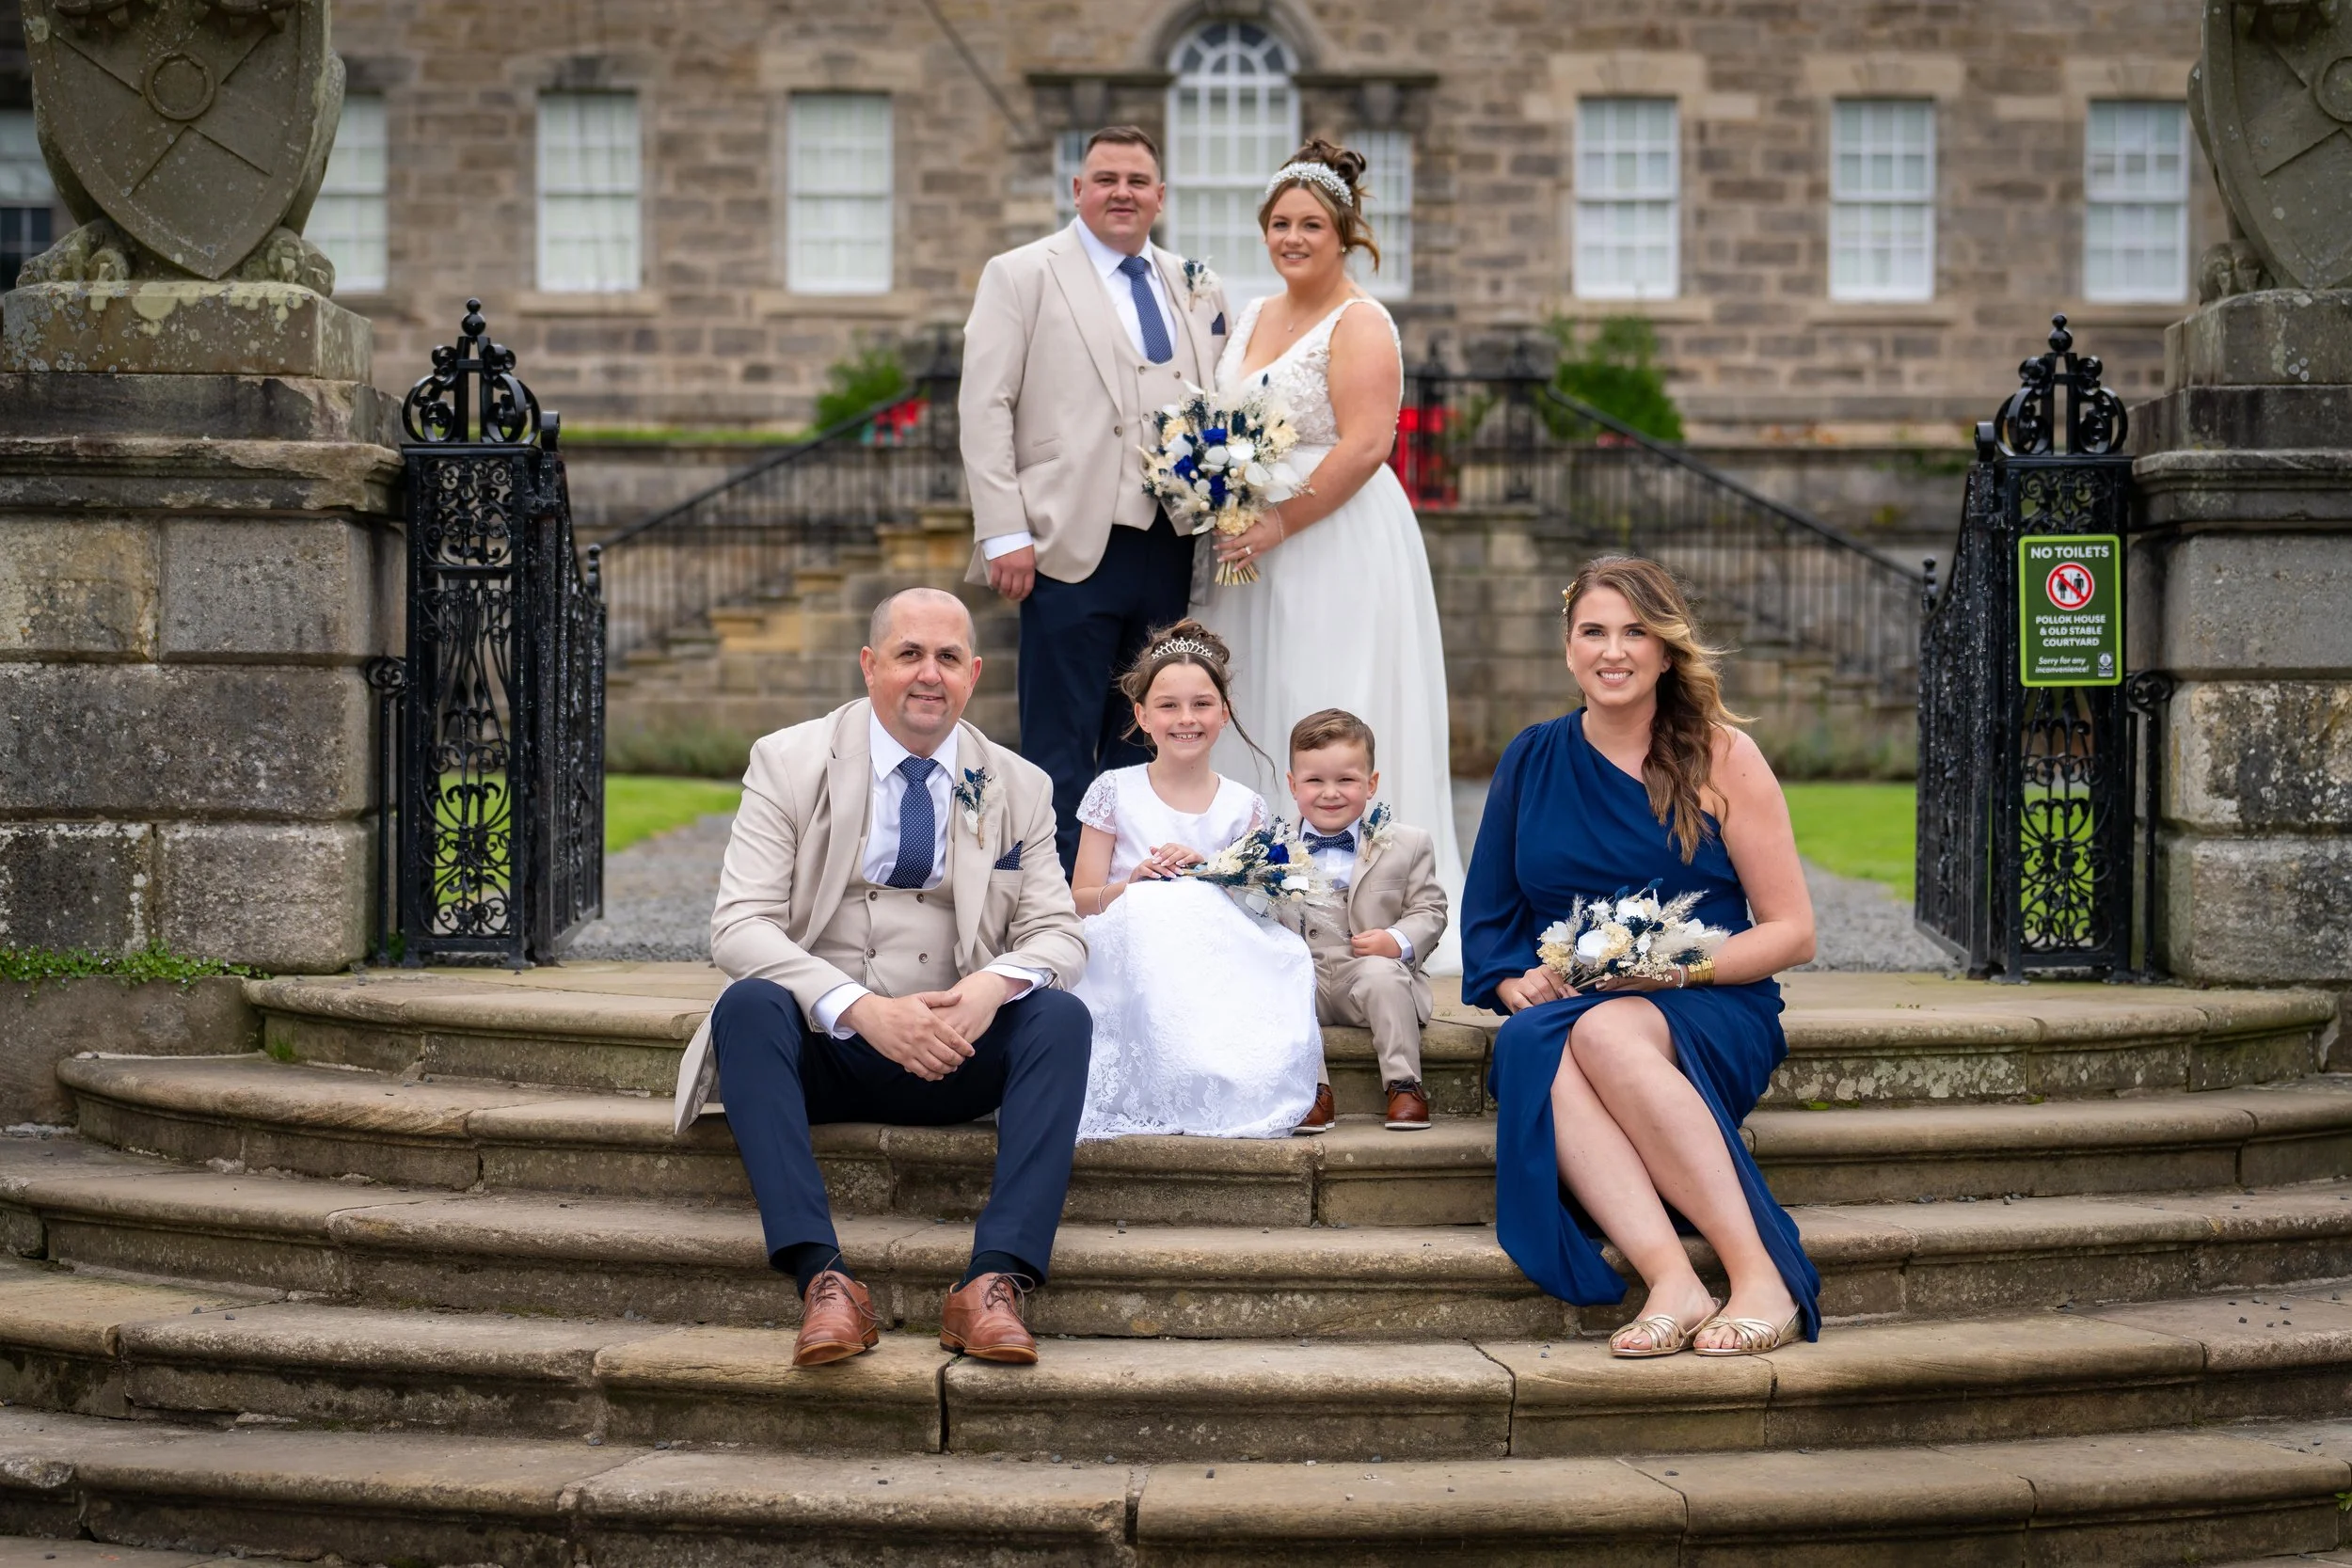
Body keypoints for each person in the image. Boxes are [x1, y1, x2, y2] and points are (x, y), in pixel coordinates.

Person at [670, 588, 1090, 1370]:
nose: (929, 675)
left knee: (1062, 1021)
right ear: (870, 666)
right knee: (747, 1004)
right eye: (909, 654)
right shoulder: (789, 759)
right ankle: (823, 1280)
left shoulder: (1018, 785)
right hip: (823, 1053)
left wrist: (989, 989)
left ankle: (993, 1282)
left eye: (948, 658)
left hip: (953, 1051)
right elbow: (738, 925)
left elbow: (1058, 932)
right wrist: (861, 1009)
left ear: (974, 674)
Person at [1461, 556, 1822, 1358]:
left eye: (1635, 632)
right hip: (1585, 1000)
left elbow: (1792, 932)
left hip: (1710, 999)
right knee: (1534, 1037)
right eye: (1593, 631)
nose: (1613, 650)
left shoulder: (1721, 757)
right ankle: (1673, 1278)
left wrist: (1675, 970)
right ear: (1568, 649)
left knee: (1603, 1034)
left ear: (1665, 651)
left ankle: (1758, 1276)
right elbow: (1489, 916)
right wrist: (1516, 978)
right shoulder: (1530, 757)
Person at [1198, 136, 1466, 973]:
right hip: (1253, 549)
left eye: (1311, 224)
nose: (1293, 238)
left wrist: (1281, 520)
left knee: (1326, 691)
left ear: (1343, 232)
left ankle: (1361, 901)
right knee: (1259, 695)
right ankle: (1266, 896)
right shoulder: (1249, 315)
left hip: (1334, 540)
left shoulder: (1362, 322)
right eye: (1280, 223)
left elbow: (1365, 446)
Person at [960, 124, 1231, 874]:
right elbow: (985, 405)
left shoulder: (1193, 283)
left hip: (1168, 541)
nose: (1122, 192)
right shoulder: (1021, 274)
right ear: (1077, 190)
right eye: (1105, 178)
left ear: (1160, 197)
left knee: (1141, 730)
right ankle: (1050, 896)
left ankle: (1126, 888)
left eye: (1138, 180)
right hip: (1062, 536)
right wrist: (1002, 529)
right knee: (1058, 734)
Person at [1068, 622, 1323, 1140]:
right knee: (1154, 910)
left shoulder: (1243, 804)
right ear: (1141, 715)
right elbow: (1079, 899)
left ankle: (1223, 1074)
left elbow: (1259, 907)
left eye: (1202, 704)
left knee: (1280, 950)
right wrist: (1134, 882)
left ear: (1224, 713)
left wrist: (1209, 869)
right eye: (1168, 706)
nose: (1186, 719)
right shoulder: (1113, 790)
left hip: (1211, 953)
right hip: (1130, 940)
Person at [1279, 708, 1449, 1135]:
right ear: (1293, 784)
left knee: (1383, 977)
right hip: (1309, 975)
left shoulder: (1407, 842)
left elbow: (1430, 909)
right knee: (1280, 980)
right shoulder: (1271, 848)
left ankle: (1404, 1085)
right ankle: (1313, 1090)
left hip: (1369, 977)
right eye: (1315, 780)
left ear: (1371, 784)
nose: (1330, 793)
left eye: (1347, 780)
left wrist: (1397, 939)